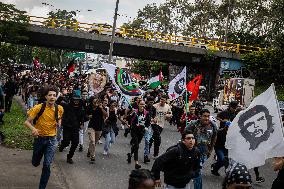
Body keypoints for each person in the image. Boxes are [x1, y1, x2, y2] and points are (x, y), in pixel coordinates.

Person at [24, 85, 64, 189]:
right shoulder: (38, 108)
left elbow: (59, 118)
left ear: (56, 97)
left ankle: (42, 187)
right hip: (39, 139)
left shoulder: (59, 108)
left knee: (47, 164)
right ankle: (35, 160)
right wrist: (33, 129)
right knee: (35, 162)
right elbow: (27, 122)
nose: (52, 97)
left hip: (52, 139)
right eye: (50, 95)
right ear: (45, 97)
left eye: (54, 95)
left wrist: (59, 123)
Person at [185, 108, 217, 189]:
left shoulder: (212, 125)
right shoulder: (193, 124)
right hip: (192, 151)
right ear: (200, 116)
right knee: (196, 171)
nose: (206, 118)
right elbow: (185, 134)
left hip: (204, 152)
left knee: (198, 171)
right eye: (204, 116)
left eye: (208, 116)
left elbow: (214, 136)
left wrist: (211, 150)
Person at [58, 94, 84, 164]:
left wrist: (82, 124)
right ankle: (62, 146)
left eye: (77, 100)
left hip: (76, 128)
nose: (76, 101)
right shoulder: (67, 106)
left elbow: (82, 117)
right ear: (72, 100)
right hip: (67, 127)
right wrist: (61, 97)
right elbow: (57, 103)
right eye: (75, 99)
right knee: (66, 142)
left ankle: (69, 157)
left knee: (75, 143)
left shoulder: (81, 108)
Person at [127, 100, 151, 169]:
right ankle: (136, 163)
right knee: (136, 146)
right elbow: (129, 118)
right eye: (141, 104)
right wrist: (132, 123)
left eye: (143, 105)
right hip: (134, 131)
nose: (142, 106)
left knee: (135, 145)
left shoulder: (146, 113)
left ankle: (130, 154)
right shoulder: (135, 112)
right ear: (138, 105)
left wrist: (146, 127)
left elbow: (148, 122)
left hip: (141, 131)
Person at [87, 97, 108, 163]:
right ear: (92, 102)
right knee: (92, 141)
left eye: (97, 102)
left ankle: (89, 150)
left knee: (94, 143)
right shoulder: (89, 107)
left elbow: (106, 115)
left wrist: (101, 108)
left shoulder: (101, 108)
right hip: (91, 126)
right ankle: (92, 156)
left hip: (99, 127)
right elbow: (85, 114)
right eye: (94, 102)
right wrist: (88, 116)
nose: (96, 103)